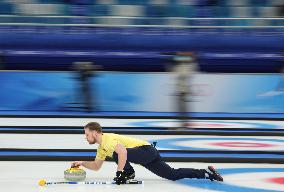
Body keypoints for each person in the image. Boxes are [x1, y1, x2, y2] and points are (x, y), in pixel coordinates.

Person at [71, 122, 223, 185]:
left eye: (87, 134)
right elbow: (97, 166)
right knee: (172, 174)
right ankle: (206, 173)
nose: (86, 137)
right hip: (147, 154)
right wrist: (82, 163)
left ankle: (128, 174)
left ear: (96, 133)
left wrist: (119, 174)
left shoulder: (108, 139)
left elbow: (123, 152)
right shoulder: (101, 148)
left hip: (146, 150)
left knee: (118, 154)